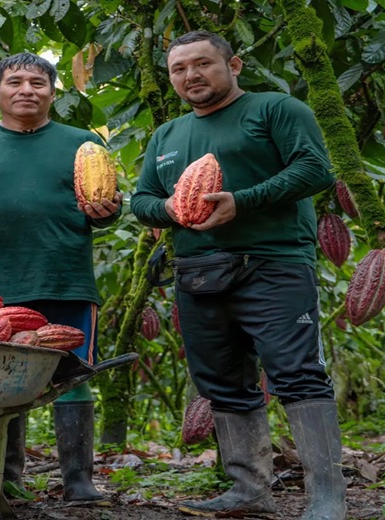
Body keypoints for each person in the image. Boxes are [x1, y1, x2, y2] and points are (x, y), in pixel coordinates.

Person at [130, 31, 346, 520]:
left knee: (297, 374)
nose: (191, 75)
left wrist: (241, 202)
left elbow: (315, 170)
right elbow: (142, 201)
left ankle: (327, 497)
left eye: (203, 63)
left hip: (272, 263)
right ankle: (249, 490)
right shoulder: (166, 135)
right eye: (179, 69)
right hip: (198, 272)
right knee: (222, 382)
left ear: (234, 65)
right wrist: (168, 209)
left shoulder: (275, 109)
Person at [0, 52, 123, 502]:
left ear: (53, 92)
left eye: (38, 82)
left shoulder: (82, 142)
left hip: (65, 278)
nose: (26, 90)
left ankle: (79, 481)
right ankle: (4, 479)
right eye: (14, 82)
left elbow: (105, 209)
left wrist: (107, 211)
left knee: (72, 376)